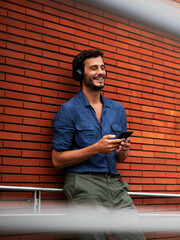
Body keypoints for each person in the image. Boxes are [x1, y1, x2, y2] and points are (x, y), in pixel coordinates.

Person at [51, 49, 146, 240]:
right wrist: (96, 148)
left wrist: (123, 150)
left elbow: (120, 158)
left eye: (102, 67)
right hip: (84, 185)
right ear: (80, 74)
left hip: (115, 185)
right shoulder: (68, 110)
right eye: (94, 68)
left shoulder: (118, 109)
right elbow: (57, 160)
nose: (100, 72)